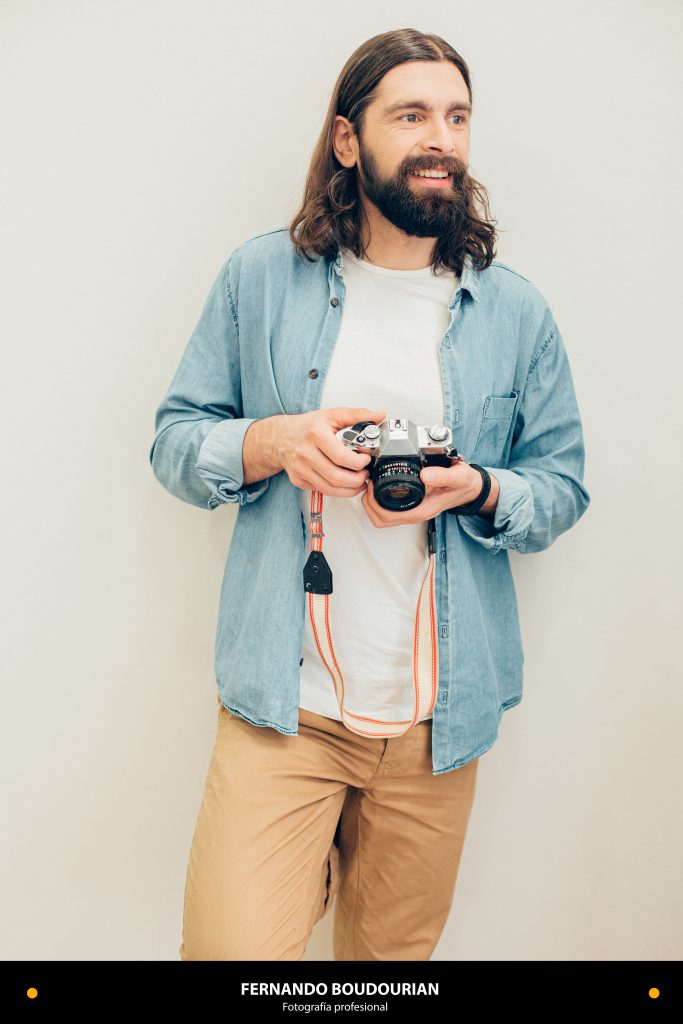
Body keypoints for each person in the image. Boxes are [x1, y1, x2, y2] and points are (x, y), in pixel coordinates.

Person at [149, 28, 591, 961]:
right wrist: (273, 442)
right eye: (411, 115)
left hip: (439, 724)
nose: (441, 139)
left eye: (457, 117)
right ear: (348, 140)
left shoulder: (513, 311)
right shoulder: (260, 278)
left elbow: (560, 487)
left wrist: (476, 489)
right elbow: (175, 443)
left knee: (383, 976)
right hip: (285, 711)